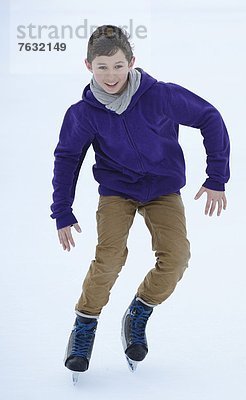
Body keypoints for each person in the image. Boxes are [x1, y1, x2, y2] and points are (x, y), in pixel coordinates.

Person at [51, 25, 230, 378]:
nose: (111, 75)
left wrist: (216, 177)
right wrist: (62, 209)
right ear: (88, 66)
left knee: (177, 258)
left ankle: (139, 312)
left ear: (131, 62)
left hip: (163, 189)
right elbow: (67, 157)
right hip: (117, 190)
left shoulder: (159, 96)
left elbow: (210, 117)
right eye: (102, 67)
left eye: (118, 65)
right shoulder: (83, 113)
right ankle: (85, 326)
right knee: (110, 256)